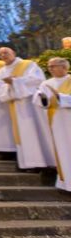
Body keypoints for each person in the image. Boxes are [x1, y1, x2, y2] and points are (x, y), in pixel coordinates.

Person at [0, 47, 55, 170]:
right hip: (16, 107)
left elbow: (38, 80)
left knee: (39, 131)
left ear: (13, 53)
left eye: (6, 52)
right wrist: (10, 85)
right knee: (24, 134)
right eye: (1, 54)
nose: (4, 55)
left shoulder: (28, 64)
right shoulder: (1, 72)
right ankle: (30, 163)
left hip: (33, 104)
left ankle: (48, 161)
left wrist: (15, 82)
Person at [33, 57, 71, 191]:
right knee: (62, 151)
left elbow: (62, 99)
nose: (50, 69)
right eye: (49, 66)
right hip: (56, 122)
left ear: (64, 67)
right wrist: (43, 98)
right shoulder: (46, 83)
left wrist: (61, 97)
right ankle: (65, 184)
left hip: (69, 119)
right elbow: (39, 101)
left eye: (53, 66)